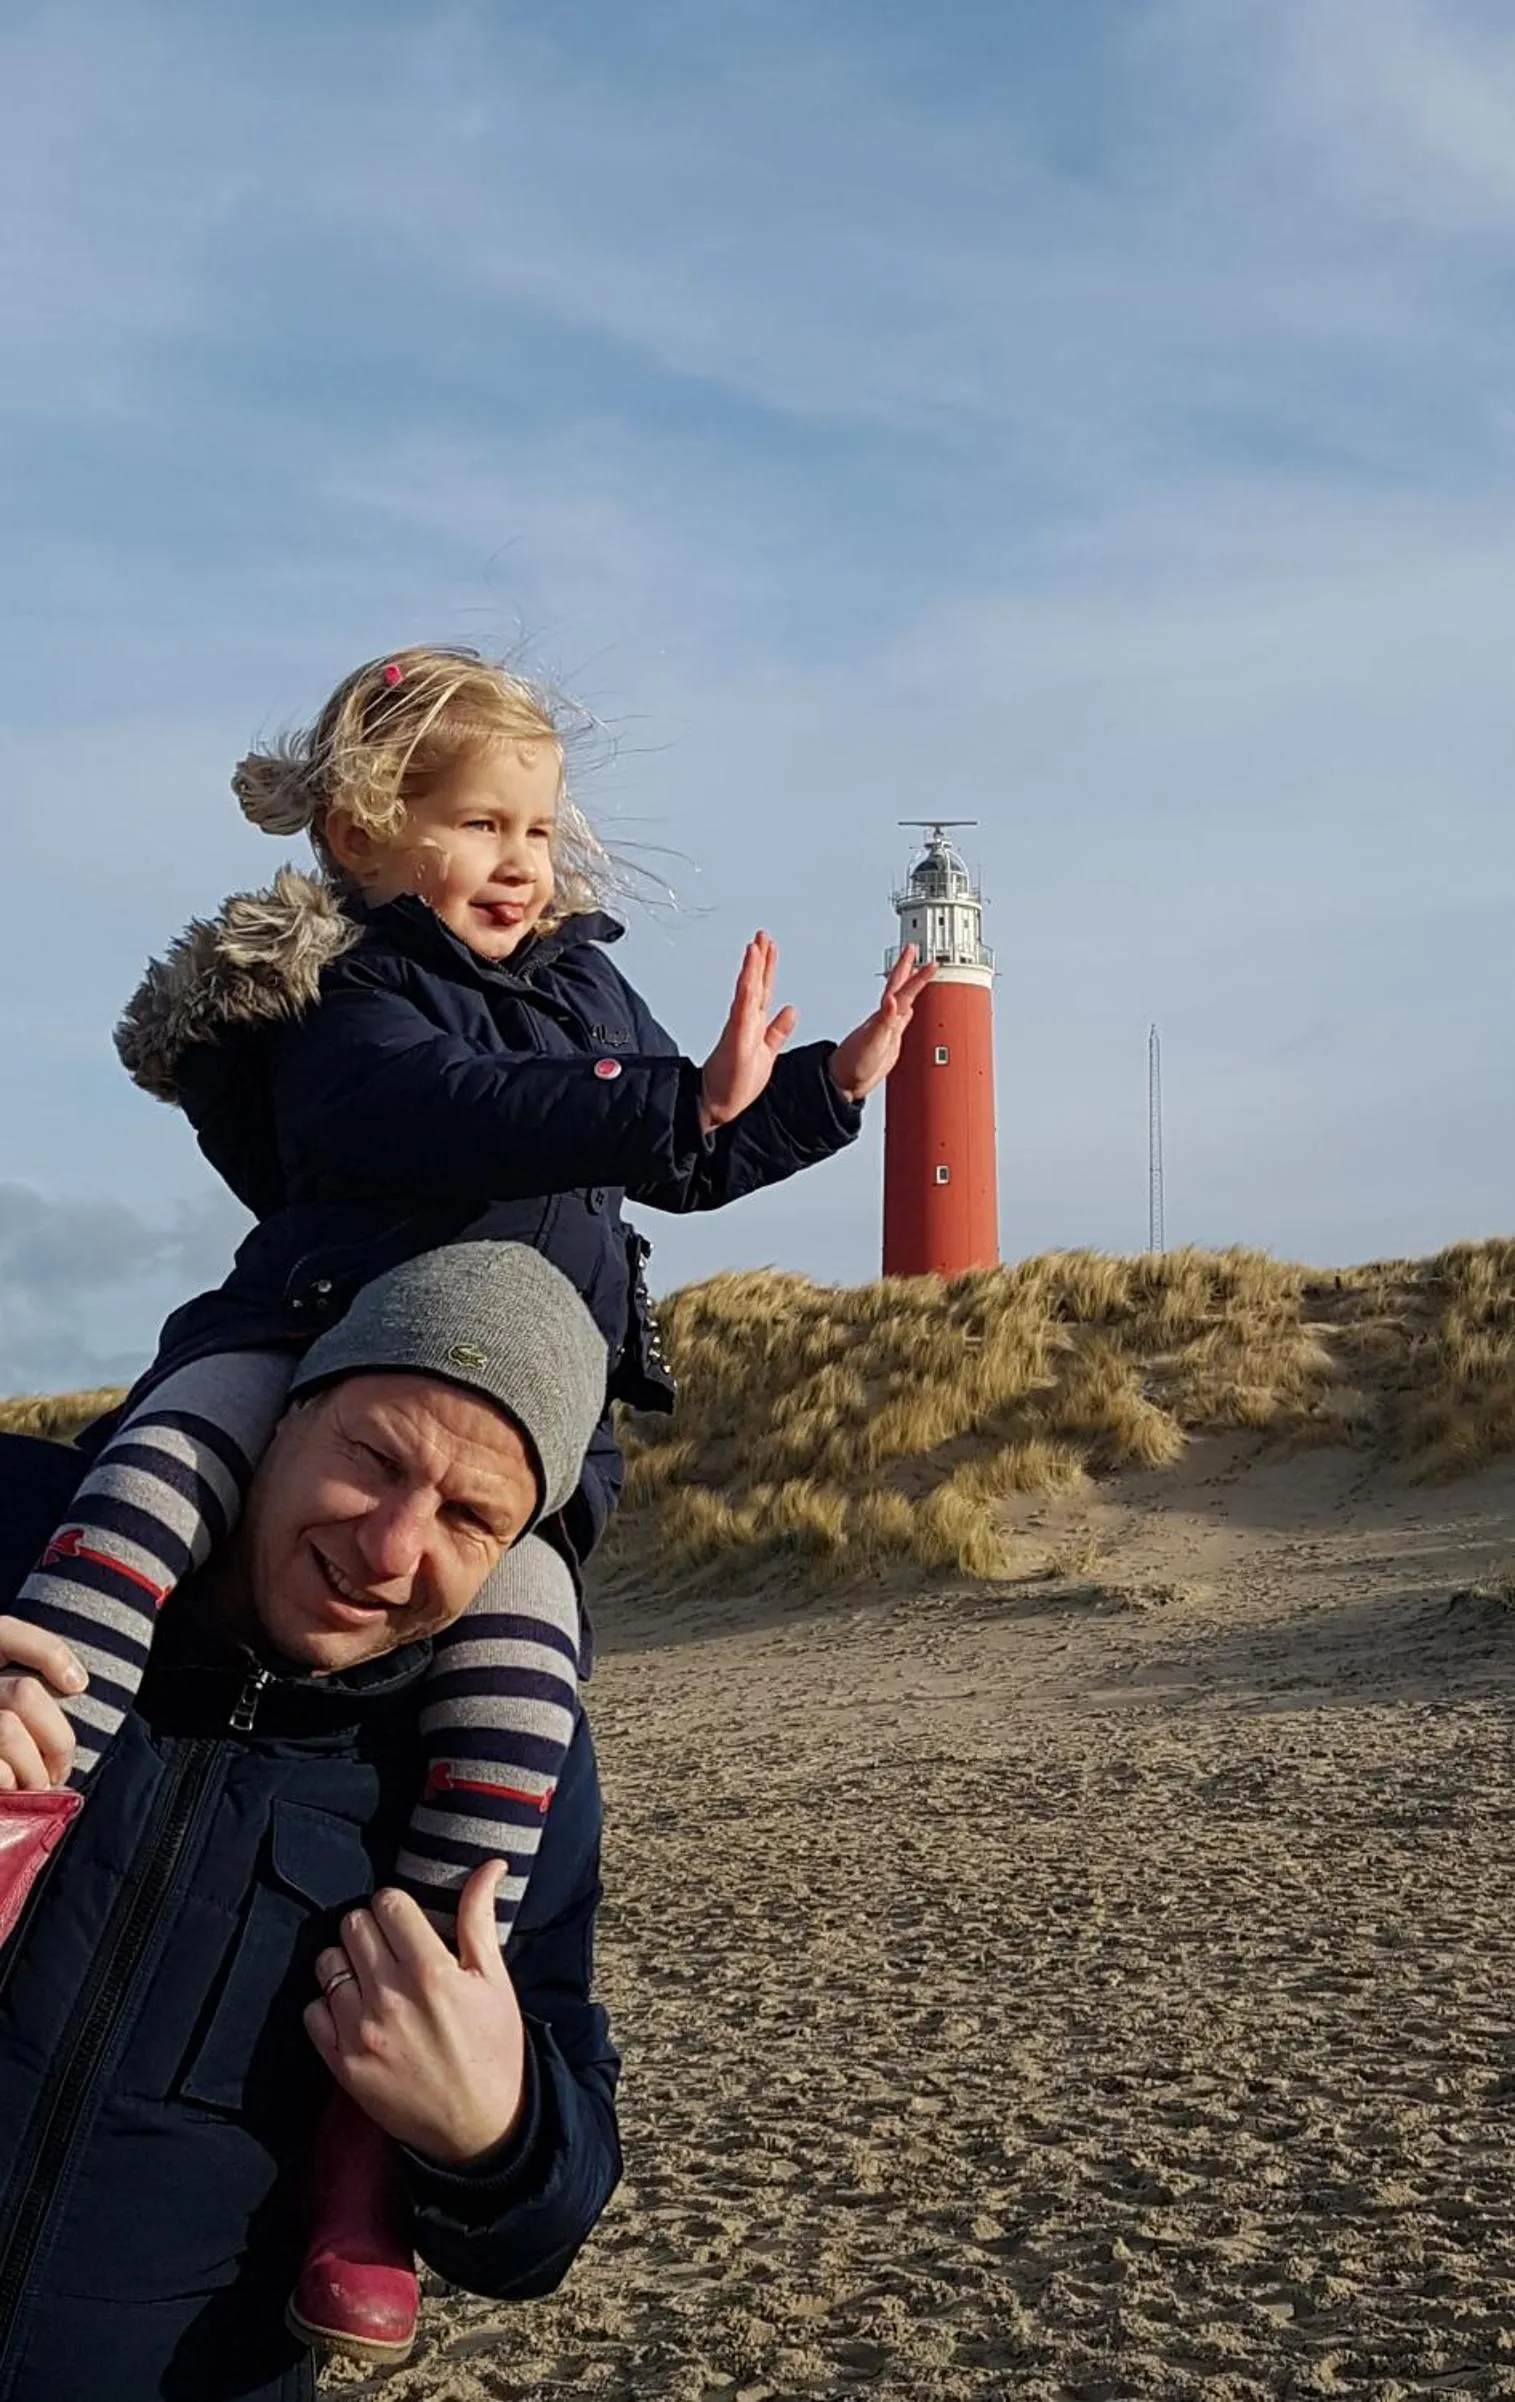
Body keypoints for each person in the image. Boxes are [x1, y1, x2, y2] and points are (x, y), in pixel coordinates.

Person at [7, 642, 934, 2355]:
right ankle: (31, 1763)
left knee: (516, 1726)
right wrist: (655, 1097)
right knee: (149, 1472)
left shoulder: (589, 993)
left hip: (547, 1441)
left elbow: (695, 1150)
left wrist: (831, 1088)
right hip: (286, 1345)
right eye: (481, 822)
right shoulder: (352, 996)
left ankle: (372, 2150)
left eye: (541, 825)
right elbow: (434, 1108)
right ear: (364, 836)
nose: (524, 858)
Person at [0, 1241, 620, 2402]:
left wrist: (494, 2127)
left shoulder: (516, 1777)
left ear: (510, 1557)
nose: (390, 1545)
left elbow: (542, 2224)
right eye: (373, 1456)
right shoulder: (17, 1537)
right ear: (285, 1412)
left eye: (469, 1515)